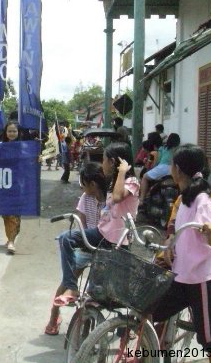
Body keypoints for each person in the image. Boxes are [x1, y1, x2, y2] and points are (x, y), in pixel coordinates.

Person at [151, 144, 211, 362]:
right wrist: (170, 245)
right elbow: (179, 231)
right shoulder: (184, 198)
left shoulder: (203, 199)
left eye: (171, 164)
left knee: (210, 341)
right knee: (150, 310)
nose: (169, 168)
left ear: (179, 169)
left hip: (201, 279)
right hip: (182, 277)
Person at [53, 142, 139, 305]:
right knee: (65, 238)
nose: (102, 164)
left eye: (105, 160)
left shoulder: (132, 181)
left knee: (118, 296)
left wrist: (122, 172)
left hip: (118, 241)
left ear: (114, 163)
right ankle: (72, 287)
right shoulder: (112, 183)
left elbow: (118, 197)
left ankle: (125, 329)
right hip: (101, 235)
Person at [44, 162, 107, 335]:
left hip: (106, 248)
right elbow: (82, 223)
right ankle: (53, 318)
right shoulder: (85, 198)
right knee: (68, 278)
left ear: (92, 185)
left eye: (83, 183)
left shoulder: (111, 199)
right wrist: (85, 242)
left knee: (111, 289)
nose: (81, 186)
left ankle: (124, 326)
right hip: (88, 243)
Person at [0, 121, 23, 254]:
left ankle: (12, 241)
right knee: (6, 214)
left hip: (18, 185)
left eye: (14, 131)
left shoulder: (24, 147)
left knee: (14, 214)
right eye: (9, 131)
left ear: (18, 132)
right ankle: (9, 237)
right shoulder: (1, 147)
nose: (12, 133)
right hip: (3, 184)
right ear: (6, 133)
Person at [139, 132, 181, 205]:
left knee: (145, 177)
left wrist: (154, 167)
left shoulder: (163, 148)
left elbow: (158, 160)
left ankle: (142, 199)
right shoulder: (179, 150)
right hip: (174, 169)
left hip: (163, 168)